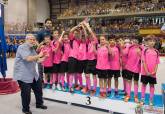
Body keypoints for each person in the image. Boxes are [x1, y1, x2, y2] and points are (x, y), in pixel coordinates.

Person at [13, 34, 47, 114]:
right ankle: (25, 109)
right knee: (26, 94)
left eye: (34, 39)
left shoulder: (32, 48)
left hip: (32, 74)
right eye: (31, 39)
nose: (32, 41)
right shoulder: (22, 47)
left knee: (39, 89)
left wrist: (45, 57)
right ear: (26, 40)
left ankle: (39, 104)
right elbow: (28, 58)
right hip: (23, 75)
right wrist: (39, 55)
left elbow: (37, 60)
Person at [140, 35, 160, 106]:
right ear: (147, 42)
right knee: (144, 85)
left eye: (153, 41)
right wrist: (147, 71)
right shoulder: (144, 50)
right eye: (150, 41)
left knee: (152, 86)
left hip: (153, 73)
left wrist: (154, 71)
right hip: (145, 73)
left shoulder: (156, 52)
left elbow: (157, 63)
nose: (152, 42)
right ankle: (142, 99)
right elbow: (143, 61)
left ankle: (151, 100)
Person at [37, 18, 53, 83]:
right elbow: (37, 41)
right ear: (45, 24)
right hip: (42, 51)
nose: (49, 24)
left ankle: (48, 79)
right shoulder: (41, 31)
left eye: (50, 23)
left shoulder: (51, 32)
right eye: (48, 23)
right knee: (40, 66)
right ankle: (41, 80)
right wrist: (40, 47)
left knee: (48, 66)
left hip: (49, 52)